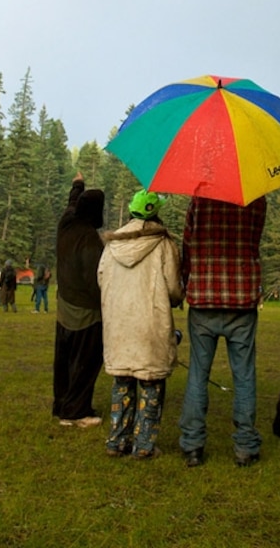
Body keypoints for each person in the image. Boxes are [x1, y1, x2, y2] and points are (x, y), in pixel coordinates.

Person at [178, 194, 267, 468]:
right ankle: (245, 446)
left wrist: (185, 280)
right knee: (244, 376)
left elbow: (188, 246)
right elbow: (254, 242)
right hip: (242, 297)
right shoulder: (257, 200)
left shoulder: (199, 200)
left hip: (204, 296)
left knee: (198, 374)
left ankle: (193, 446)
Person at [98, 190, 184, 459]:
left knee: (122, 382)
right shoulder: (163, 244)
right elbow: (172, 289)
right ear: (155, 212)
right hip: (150, 323)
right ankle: (144, 445)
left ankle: (117, 440)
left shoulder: (112, 244)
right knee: (151, 385)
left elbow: (101, 279)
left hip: (119, 323)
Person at [52, 173, 106, 428]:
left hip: (64, 307)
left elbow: (72, 203)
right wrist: (107, 307)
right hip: (86, 313)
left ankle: (62, 403)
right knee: (85, 363)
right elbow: (96, 283)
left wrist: (77, 184)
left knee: (63, 362)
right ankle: (76, 411)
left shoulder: (67, 224)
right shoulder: (90, 241)